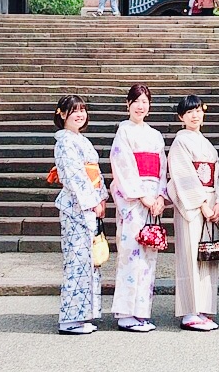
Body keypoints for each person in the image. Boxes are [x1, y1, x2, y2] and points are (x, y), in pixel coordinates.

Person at [110, 82, 167, 332]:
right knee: (131, 251)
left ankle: (141, 310)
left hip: (153, 196)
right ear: (128, 104)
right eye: (136, 101)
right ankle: (125, 312)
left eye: (145, 101)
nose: (141, 106)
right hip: (133, 200)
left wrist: (161, 197)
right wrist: (143, 196)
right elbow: (123, 167)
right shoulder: (123, 132)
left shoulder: (155, 135)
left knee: (148, 254)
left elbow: (162, 169)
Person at [53, 94, 108, 336]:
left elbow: (95, 173)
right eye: (73, 110)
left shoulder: (80, 140)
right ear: (62, 114)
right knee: (76, 261)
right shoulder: (64, 142)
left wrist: (102, 197)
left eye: (82, 110)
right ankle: (70, 318)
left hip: (89, 205)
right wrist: (93, 200)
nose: (79, 114)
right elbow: (74, 176)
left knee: (89, 260)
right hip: (76, 206)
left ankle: (84, 314)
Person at [167, 94, 219, 332]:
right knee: (191, 255)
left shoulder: (207, 144)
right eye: (189, 112)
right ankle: (190, 311)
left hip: (210, 201)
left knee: (207, 257)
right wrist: (202, 204)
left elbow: (217, 176)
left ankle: (203, 309)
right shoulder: (181, 141)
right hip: (192, 204)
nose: (195, 115)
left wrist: (218, 202)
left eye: (198, 111)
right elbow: (183, 175)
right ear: (182, 117)